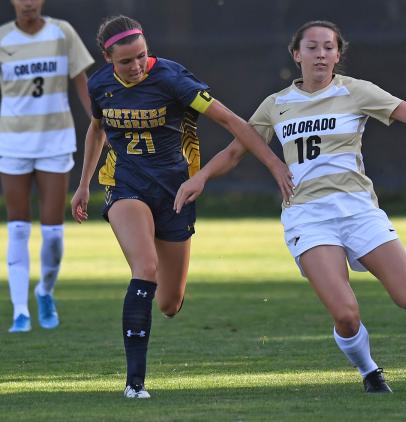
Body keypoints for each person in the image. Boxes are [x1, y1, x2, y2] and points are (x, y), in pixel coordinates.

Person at [173, 20, 406, 393]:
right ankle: (370, 372)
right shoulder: (276, 105)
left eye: (329, 48)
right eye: (313, 47)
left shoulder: (356, 92)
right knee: (347, 316)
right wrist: (200, 177)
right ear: (296, 54)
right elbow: (237, 150)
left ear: (338, 54)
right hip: (308, 217)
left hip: (358, 211)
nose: (321, 55)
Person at [70, 15, 292, 399]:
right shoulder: (100, 85)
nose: (136, 66)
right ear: (108, 59)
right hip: (126, 185)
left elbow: (232, 121)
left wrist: (273, 164)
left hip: (174, 192)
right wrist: (83, 183)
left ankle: (150, 311)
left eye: (141, 56)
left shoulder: (172, 79)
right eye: (126, 61)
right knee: (145, 268)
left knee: (170, 303)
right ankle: (134, 384)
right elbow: (97, 128)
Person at [0, 0, 94, 333]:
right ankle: (20, 311)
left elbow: (82, 81)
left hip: (55, 142)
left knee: (53, 232)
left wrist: (99, 123)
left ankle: (45, 292)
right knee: (18, 227)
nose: (28, 3)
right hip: (13, 144)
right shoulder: (2, 40)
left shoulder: (62, 32)